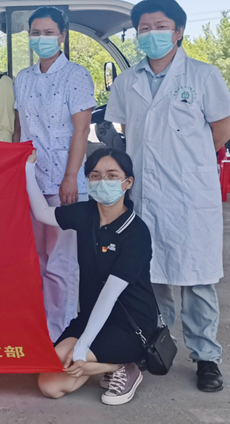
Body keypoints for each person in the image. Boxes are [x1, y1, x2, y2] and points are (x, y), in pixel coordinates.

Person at [104, 0, 230, 392]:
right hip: (146, 194)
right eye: (144, 28)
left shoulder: (203, 75)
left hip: (191, 196)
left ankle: (207, 357)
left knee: (197, 280)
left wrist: (189, 162)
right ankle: (155, 347)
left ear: (178, 32)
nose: (151, 34)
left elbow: (223, 130)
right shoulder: (127, 81)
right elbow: (125, 131)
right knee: (152, 277)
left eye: (160, 27)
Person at [29, 147, 160, 405]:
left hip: (130, 325)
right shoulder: (85, 214)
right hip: (90, 318)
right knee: (49, 385)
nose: (102, 182)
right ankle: (110, 365)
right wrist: (27, 168)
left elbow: (109, 296)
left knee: (70, 364)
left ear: (127, 182)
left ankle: (126, 364)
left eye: (112, 176)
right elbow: (42, 214)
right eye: (95, 176)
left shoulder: (136, 233)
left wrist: (82, 347)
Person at [14, 6, 96, 341]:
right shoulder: (23, 78)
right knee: (35, 258)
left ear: (61, 36)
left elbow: (82, 130)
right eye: (36, 33)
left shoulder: (76, 75)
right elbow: (20, 129)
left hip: (64, 180)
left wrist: (71, 176)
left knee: (61, 262)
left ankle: (60, 334)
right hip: (31, 179)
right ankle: (39, 329)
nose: (42, 38)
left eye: (49, 33)